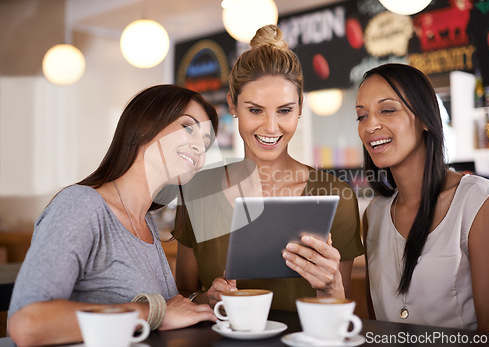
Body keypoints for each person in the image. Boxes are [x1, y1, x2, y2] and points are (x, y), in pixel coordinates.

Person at [8, 84, 219, 346]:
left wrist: (201, 301)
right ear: (145, 125)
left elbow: (165, 312)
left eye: (206, 142)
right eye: (188, 127)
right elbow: (27, 324)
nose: (200, 146)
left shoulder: (146, 224)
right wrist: (154, 313)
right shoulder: (81, 205)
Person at [174, 24, 364, 311]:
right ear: (233, 105)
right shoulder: (198, 190)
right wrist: (207, 298)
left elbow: (338, 310)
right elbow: (183, 296)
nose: (271, 127)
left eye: (285, 110)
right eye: (255, 110)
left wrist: (330, 285)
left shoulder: (336, 195)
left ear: (300, 107)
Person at [356, 63, 489, 332]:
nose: (370, 125)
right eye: (361, 116)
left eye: (387, 110)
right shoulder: (374, 215)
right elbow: (377, 328)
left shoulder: (478, 202)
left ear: (424, 118)